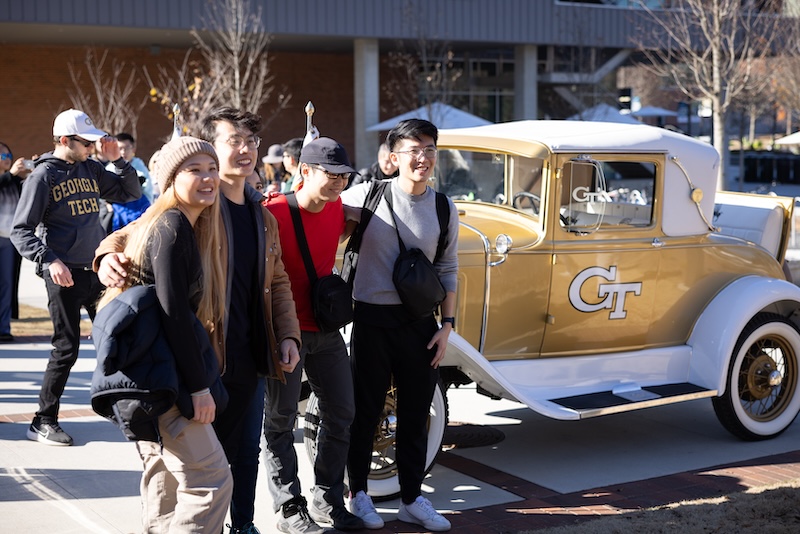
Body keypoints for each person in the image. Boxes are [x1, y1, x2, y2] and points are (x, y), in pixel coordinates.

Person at [95, 107, 302, 534]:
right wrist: (105, 257)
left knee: (244, 453)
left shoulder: (262, 216)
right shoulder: (197, 206)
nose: (244, 151)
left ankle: (241, 526)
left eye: (251, 142)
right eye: (234, 141)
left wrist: (287, 333)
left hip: (250, 354)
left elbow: (277, 280)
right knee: (193, 466)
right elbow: (135, 232)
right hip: (202, 356)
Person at [97, 136, 233, 532]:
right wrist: (200, 387)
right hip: (167, 379)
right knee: (211, 480)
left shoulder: (182, 222)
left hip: (152, 377)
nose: (208, 178)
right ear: (169, 179)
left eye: (212, 169)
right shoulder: (172, 227)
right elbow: (174, 315)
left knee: (166, 480)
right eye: (194, 170)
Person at [341, 119, 459, 532]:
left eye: (429, 148)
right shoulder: (366, 195)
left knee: (415, 414)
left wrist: (448, 326)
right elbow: (318, 212)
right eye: (413, 149)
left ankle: (412, 498)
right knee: (366, 412)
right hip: (370, 320)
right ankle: (358, 493)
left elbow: (448, 267)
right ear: (393, 158)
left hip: (419, 324)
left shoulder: (444, 207)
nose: (422, 157)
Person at [10, 108, 142, 446]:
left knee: (114, 339)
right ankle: (43, 420)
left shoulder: (91, 168)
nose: (91, 148)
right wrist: (50, 260)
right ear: (65, 140)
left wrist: (119, 162)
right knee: (66, 348)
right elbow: (21, 231)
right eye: (86, 143)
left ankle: (120, 408)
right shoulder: (44, 176)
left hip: (95, 270)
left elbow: (130, 194)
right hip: (63, 274)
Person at [263, 138, 361, 533]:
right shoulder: (271, 211)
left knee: (342, 412)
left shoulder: (339, 207)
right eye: (331, 174)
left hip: (326, 328)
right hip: (285, 332)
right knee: (280, 420)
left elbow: (350, 220)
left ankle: (328, 500)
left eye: (344, 175)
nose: (339, 182)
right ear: (304, 171)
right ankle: (289, 508)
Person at [0, 141, 34, 342]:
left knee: (6, 285)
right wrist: (11, 174)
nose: (6, 159)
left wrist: (34, 175)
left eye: (8, 156)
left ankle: (3, 328)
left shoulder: (13, 181)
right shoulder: (8, 178)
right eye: (2, 156)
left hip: (9, 240)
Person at [108, 132, 152, 230]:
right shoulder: (110, 168)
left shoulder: (139, 165)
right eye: (120, 148)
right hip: (118, 209)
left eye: (126, 148)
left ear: (133, 149)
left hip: (139, 206)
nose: (123, 152)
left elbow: (148, 189)